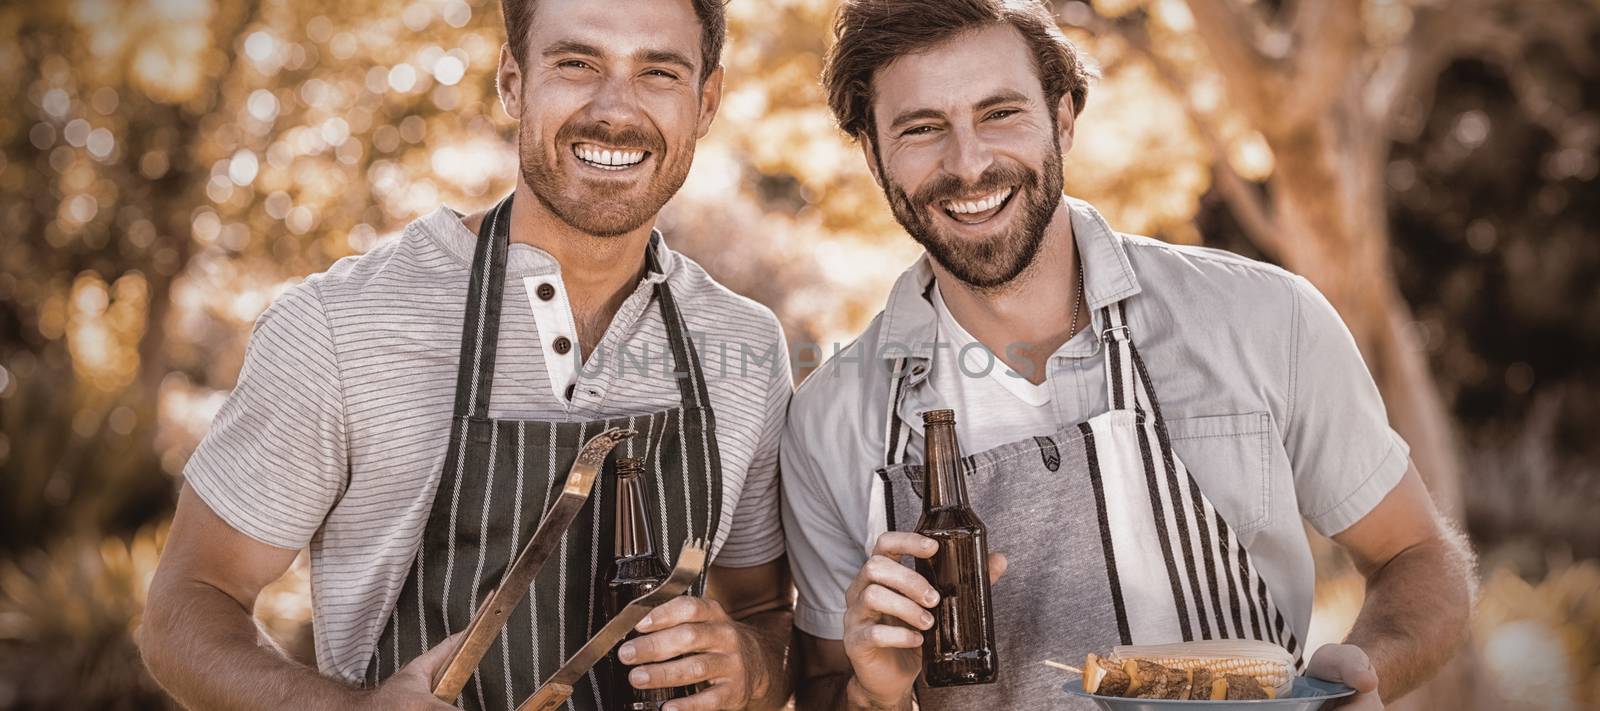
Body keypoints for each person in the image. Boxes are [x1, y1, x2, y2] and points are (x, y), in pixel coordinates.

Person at [781, 1, 1474, 709]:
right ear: (872, 153)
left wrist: (1369, 670)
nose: (969, 162)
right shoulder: (830, 421)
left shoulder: (1264, 316)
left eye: (1000, 113)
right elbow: (827, 686)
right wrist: (873, 693)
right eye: (922, 128)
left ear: (1063, 118)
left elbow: (1417, 554)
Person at [138, 1, 794, 709]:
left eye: (658, 72)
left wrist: (751, 666)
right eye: (577, 63)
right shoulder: (340, 325)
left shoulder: (745, 347)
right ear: (512, 81)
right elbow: (184, 607)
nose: (615, 108)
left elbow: (767, 616)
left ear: (707, 101)